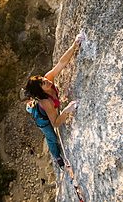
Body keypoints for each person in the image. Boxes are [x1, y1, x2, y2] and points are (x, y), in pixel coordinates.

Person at [25, 33, 85, 168]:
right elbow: (56, 123)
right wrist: (67, 110)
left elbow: (61, 63)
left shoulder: (48, 79)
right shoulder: (46, 103)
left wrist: (74, 46)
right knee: (51, 137)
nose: (46, 80)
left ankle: (29, 105)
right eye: (42, 83)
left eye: (42, 78)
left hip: (40, 105)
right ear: (40, 91)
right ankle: (56, 157)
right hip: (42, 119)